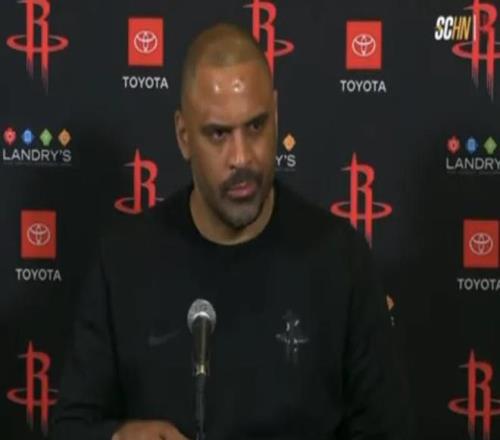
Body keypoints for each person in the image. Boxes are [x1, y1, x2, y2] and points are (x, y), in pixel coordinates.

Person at [51, 23, 412, 440]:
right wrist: (119, 437)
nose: (241, 158)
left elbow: (388, 430)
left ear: (276, 114)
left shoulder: (339, 258)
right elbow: (70, 428)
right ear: (184, 136)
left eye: (256, 127)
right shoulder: (122, 262)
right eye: (218, 134)